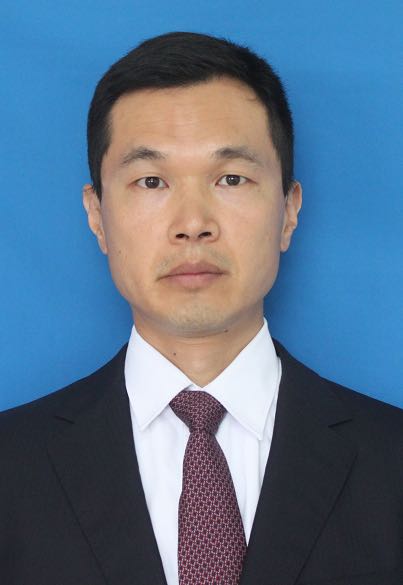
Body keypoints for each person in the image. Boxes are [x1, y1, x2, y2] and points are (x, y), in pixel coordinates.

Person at [1, 31, 402, 585]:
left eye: (231, 179)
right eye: (151, 181)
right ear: (97, 216)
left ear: (288, 211)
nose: (193, 224)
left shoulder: (391, 461)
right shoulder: (11, 466)